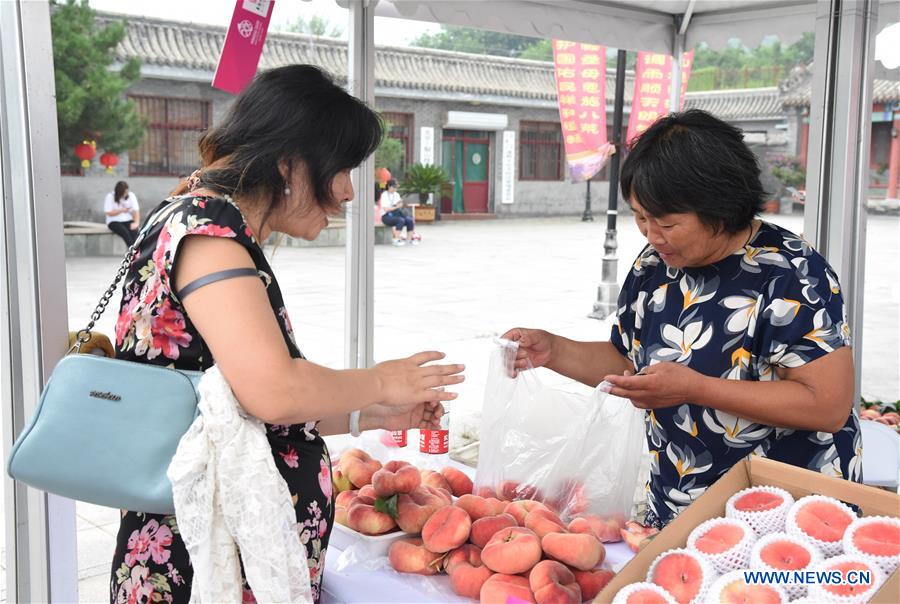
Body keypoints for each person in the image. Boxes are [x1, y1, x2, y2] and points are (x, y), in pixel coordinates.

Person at [109, 65, 464, 602]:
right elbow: (273, 391)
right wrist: (381, 380)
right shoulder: (209, 234)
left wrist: (372, 414)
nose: (348, 191)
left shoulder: (205, 224)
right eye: (342, 169)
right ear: (289, 163)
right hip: (199, 558)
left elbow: (237, 406)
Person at [504, 109, 860, 530]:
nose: (651, 234)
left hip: (787, 515)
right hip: (681, 500)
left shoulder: (791, 275)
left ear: (719, 208)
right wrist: (554, 351)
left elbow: (827, 405)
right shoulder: (656, 265)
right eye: (640, 217)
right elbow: (631, 361)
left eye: (666, 223)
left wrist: (695, 388)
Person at [380, 179, 419, 246]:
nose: (395, 189)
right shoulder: (384, 195)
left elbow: (399, 205)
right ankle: (396, 240)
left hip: (396, 214)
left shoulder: (396, 194)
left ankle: (409, 240)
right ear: (389, 186)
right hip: (386, 216)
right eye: (394, 187)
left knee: (410, 220)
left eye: (396, 187)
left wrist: (399, 204)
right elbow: (386, 209)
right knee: (400, 220)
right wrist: (396, 207)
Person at [104, 180, 140, 246]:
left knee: (135, 233)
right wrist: (121, 210)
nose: (126, 193)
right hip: (114, 221)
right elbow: (108, 213)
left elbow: (136, 210)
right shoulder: (110, 196)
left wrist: (136, 223)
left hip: (127, 219)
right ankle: (132, 250)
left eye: (126, 191)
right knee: (125, 233)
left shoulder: (131, 195)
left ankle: (138, 250)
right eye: (124, 192)